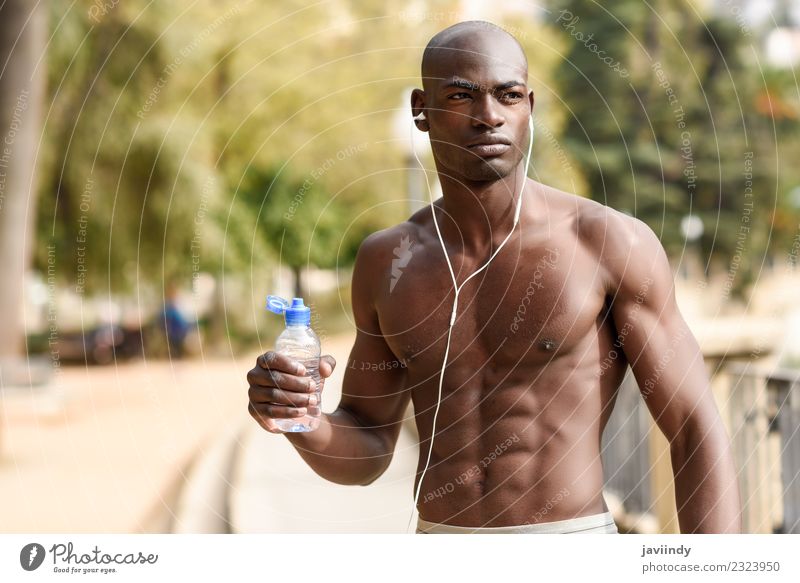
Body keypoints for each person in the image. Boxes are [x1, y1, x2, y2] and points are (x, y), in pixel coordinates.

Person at [247, 21, 741, 534]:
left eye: (507, 96)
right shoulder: (388, 261)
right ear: (422, 109)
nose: (489, 117)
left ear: (529, 107)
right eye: (461, 96)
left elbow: (693, 428)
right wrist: (299, 419)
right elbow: (368, 447)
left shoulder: (607, 243)